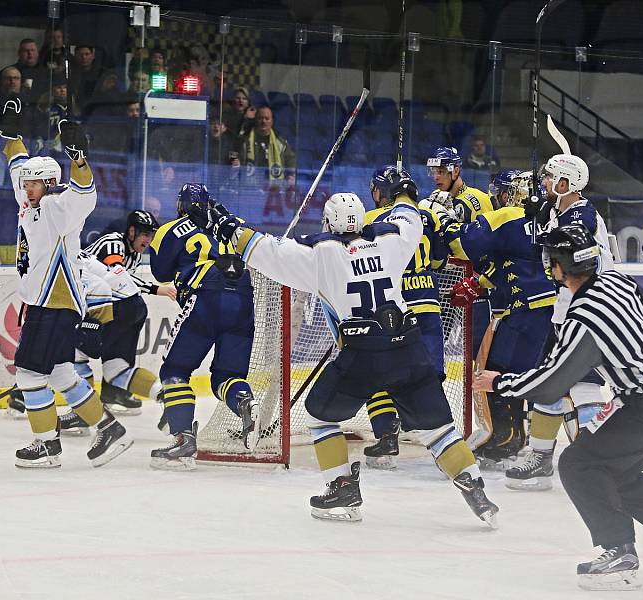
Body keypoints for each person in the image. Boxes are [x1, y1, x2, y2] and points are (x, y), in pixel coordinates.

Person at [188, 175, 499, 527]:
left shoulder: (318, 254)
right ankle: (476, 489)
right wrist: (401, 190)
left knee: (320, 415)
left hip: (362, 352)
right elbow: (408, 214)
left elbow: (260, 248)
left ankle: (341, 488)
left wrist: (217, 215)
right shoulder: (390, 240)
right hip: (408, 347)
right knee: (439, 429)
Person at [475, 224, 643, 591]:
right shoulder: (618, 281)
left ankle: (619, 552)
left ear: (560, 267)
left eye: (552, 260)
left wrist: (500, 382)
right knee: (608, 472)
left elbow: (552, 382)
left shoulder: (585, 318)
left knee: (578, 464)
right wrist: (642, 361)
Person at [0, 97, 131, 468]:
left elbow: (85, 191)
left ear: (50, 183)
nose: (26, 188)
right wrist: (11, 130)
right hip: (42, 304)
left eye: (34, 184)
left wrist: (79, 157)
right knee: (58, 370)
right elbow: (16, 158)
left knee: (28, 371)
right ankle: (108, 429)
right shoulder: (29, 199)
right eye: (26, 183)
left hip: (54, 304)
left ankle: (46, 445)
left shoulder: (61, 207)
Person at [505, 153, 615, 490]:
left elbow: (564, 262)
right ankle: (541, 458)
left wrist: (542, 228)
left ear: (566, 184)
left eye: (552, 178)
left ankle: (592, 463)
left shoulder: (580, 216)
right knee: (548, 382)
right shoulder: (563, 210)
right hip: (566, 310)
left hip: (587, 312)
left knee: (584, 386)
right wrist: (542, 219)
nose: (545, 183)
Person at [444, 171, 556, 473]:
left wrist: (442, 218)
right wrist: (480, 282)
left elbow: (462, 245)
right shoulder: (545, 219)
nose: (497, 196)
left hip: (522, 310)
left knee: (491, 372)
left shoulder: (507, 215)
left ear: (511, 194)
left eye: (502, 191)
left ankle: (502, 438)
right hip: (546, 309)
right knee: (519, 376)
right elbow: (511, 264)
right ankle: (517, 438)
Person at [147, 184, 258, 470]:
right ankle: (245, 402)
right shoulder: (235, 225)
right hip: (244, 296)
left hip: (206, 295)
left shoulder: (171, 229)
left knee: (174, 371)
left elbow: (160, 273)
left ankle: (183, 439)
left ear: (182, 205)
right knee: (227, 375)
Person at [360, 165, 452, 469]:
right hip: (428, 304)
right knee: (428, 379)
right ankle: (445, 451)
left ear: (383, 190)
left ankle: (386, 441)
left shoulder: (371, 220)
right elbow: (439, 260)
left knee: (375, 373)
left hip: (393, 309)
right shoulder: (429, 217)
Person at [63, 210, 173, 419]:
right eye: (145, 235)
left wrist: (154, 289)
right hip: (133, 308)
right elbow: (119, 276)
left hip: (115, 307)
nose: (148, 240)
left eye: (151, 236)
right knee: (117, 370)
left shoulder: (125, 252)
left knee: (75, 354)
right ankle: (167, 397)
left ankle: (83, 413)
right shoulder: (113, 243)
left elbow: (117, 277)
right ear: (131, 231)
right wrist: (155, 289)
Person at [427, 146, 493, 224]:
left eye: (441, 172)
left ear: (455, 171)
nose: (435, 178)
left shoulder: (480, 200)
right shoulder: (435, 195)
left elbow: (486, 234)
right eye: (433, 172)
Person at [242, 106, 296, 185]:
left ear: (272, 121)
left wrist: (291, 175)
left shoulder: (280, 142)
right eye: (260, 118)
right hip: (250, 186)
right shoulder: (245, 140)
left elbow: (291, 160)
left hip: (273, 188)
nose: (263, 121)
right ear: (256, 120)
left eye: (267, 118)